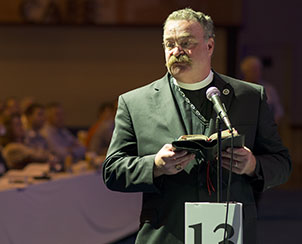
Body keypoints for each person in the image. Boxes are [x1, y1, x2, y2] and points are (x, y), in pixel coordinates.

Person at [102, 8, 291, 244]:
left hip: (229, 235)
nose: (176, 51)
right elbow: (112, 171)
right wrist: (155, 165)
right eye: (169, 44)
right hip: (166, 234)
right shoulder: (135, 103)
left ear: (210, 46)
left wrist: (253, 165)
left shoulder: (250, 97)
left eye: (185, 42)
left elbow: (282, 163)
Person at [240, 56, 284, 123]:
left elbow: (279, 111)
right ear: (245, 72)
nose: (256, 73)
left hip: (266, 126)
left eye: (259, 70)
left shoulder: (269, 89)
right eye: (253, 70)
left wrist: (271, 125)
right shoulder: (239, 88)